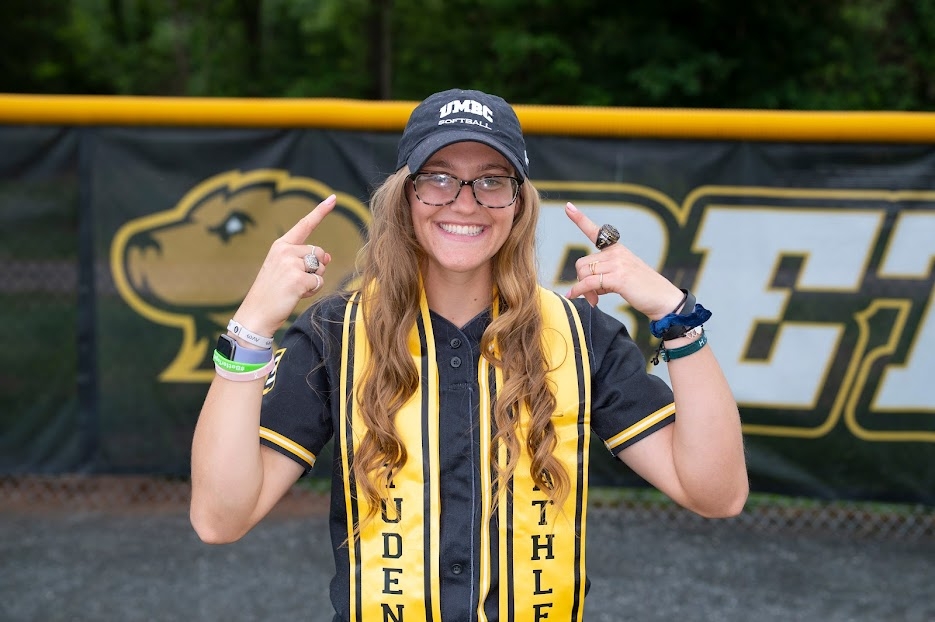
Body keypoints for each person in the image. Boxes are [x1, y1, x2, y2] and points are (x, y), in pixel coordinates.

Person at [190, 88, 748, 621]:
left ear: (518, 202)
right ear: (405, 196)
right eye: (438, 178)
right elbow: (220, 519)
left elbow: (716, 494)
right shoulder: (337, 331)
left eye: (491, 181)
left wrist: (676, 316)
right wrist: (252, 328)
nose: (465, 201)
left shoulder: (579, 334)